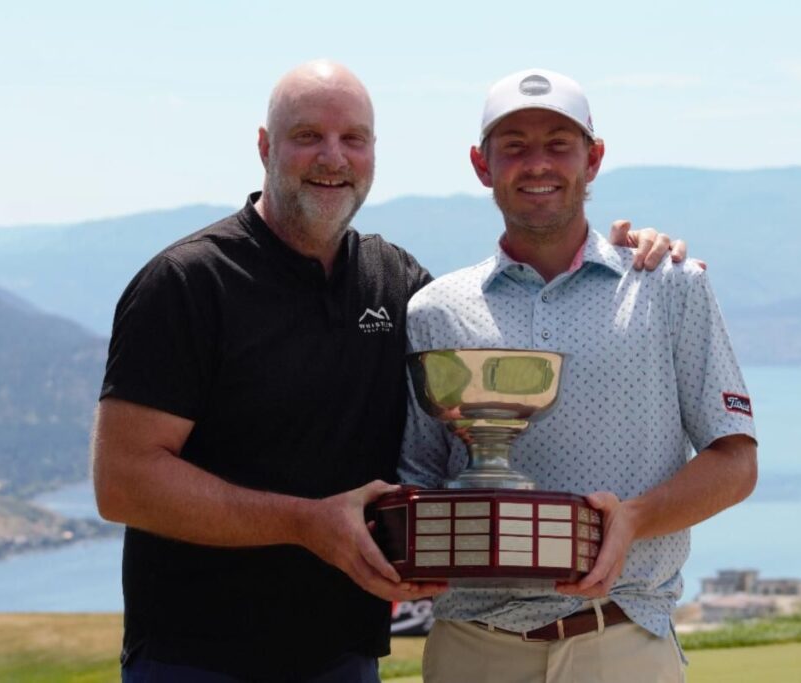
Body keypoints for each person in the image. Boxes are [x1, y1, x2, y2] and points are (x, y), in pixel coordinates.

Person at [92, 60, 686, 682]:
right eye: (307, 136)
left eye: (353, 138)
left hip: (345, 655)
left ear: (373, 151)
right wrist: (305, 524)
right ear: (265, 146)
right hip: (195, 659)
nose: (332, 157)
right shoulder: (188, 282)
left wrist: (618, 255)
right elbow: (124, 481)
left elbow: (490, 337)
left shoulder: (393, 280)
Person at [398, 68, 758, 683]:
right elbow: (419, 474)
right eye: (513, 147)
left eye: (558, 145)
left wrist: (634, 519)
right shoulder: (435, 310)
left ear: (592, 160)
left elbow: (735, 462)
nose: (537, 164)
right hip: (471, 648)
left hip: (622, 642)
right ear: (482, 166)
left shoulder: (669, 287)